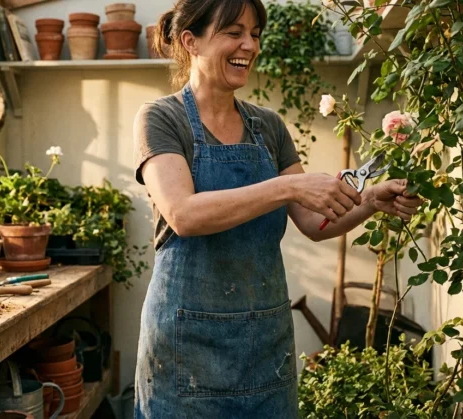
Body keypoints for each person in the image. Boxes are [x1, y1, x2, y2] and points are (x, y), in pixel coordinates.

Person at [132, 0, 423, 417]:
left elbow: (313, 223)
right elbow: (185, 215)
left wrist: (371, 201)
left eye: (255, 34)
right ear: (189, 41)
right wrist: (287, 186)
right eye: (234, 32)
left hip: (264, 346)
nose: (249, 45)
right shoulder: (162, 118)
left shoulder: (268, 127)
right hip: (186, 350)